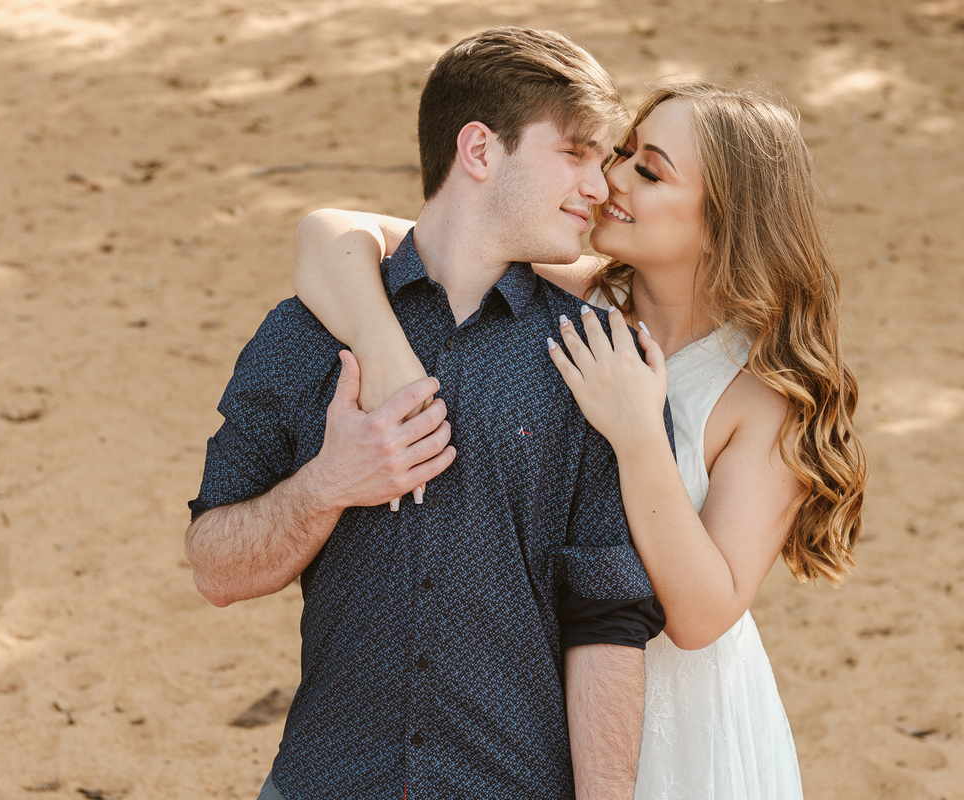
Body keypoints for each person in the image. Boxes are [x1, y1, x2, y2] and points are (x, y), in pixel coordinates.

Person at [292, 78, 868, 798]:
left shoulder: (763, 396)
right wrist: (389, 359)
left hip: (679, 725)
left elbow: (701, 617)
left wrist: (638, 434)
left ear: (724, 223)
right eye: (624, 151)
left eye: (649, 170)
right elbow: (327, 234)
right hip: (534, 698)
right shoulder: (571, 290)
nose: (609, 178)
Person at [187, 27, 668, 800]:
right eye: (576, 153)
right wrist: (329, 484)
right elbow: (214, 567)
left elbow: (606, 622)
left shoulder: (596, 359)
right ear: (478, 150)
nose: (600, 185)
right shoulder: (307, 334)